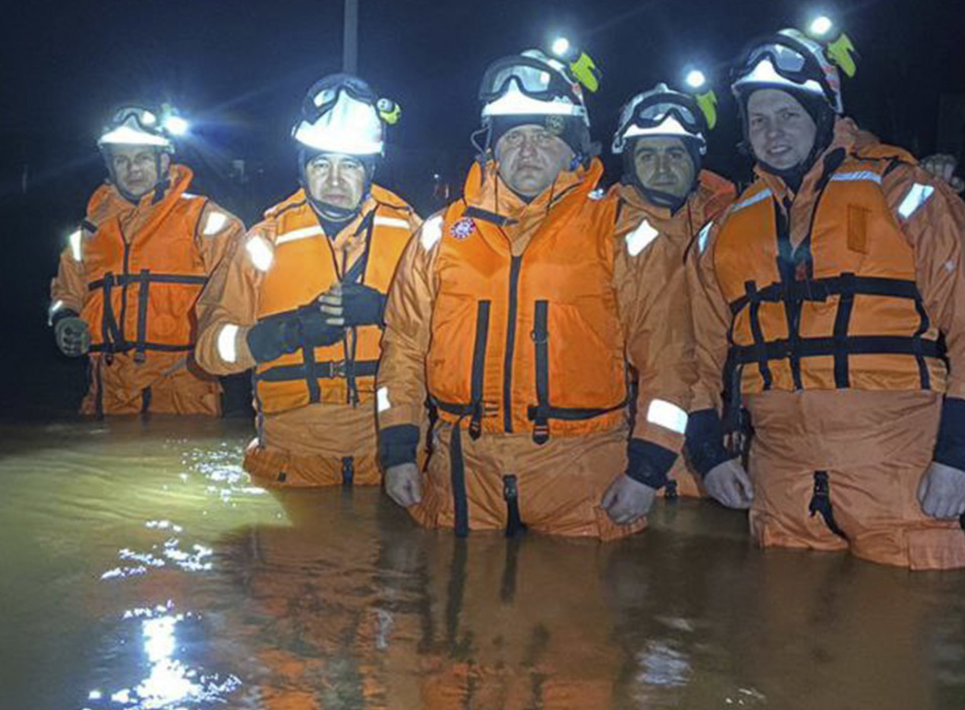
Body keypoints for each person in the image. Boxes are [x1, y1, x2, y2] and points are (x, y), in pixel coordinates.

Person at [683, 25, 965, 567]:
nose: (774, 132)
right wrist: (707, 455)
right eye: (759, 119)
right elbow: (691, 356)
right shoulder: (723, 230)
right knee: (775, 645)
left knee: (902, 639)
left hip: (902, 474)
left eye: (789, 114)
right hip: (781, 483)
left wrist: (957, 455)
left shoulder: (905, 192)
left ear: (823, 114)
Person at [375, 46, 693, 538]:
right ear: (492, 149)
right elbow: (402, 352)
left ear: (573, 147)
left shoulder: (624, 234)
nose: (527, 151)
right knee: (456, 605)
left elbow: (670, 360)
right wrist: (398, 453)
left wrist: (646, 471)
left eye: (545, 136)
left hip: (587, 481)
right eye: (514, 137)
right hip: (462, 478)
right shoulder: (439, 236)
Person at [193, 74, 420, 487]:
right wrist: (288, 331)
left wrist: (386, 311)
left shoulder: (412, 237)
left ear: (369, 170)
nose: (335, 180)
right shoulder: (262, 243)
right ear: (303, 169)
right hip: (289, 467)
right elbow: (210, 351)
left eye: (349, 165)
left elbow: (453, 343)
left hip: (391, 466)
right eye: (321, 164)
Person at [49, 104, 242, 417]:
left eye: (142, 158)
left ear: (164, 160)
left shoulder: (207, 221)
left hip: (184, 396)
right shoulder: (88, 233)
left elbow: (244, 291)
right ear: (110, 167)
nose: (132, 169)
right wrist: (64, 320)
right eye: (122, 160)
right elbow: (64, 294)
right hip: (107, 397)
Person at [606, 82, 739, 498]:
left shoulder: (732, 226)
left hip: (726, 463)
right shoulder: (597, 233)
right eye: (647, 154)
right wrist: (704, 449)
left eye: (676, 153)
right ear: (628, 162)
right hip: (629, 466)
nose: (662, 168)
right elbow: (670, 352)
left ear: (697, 160)